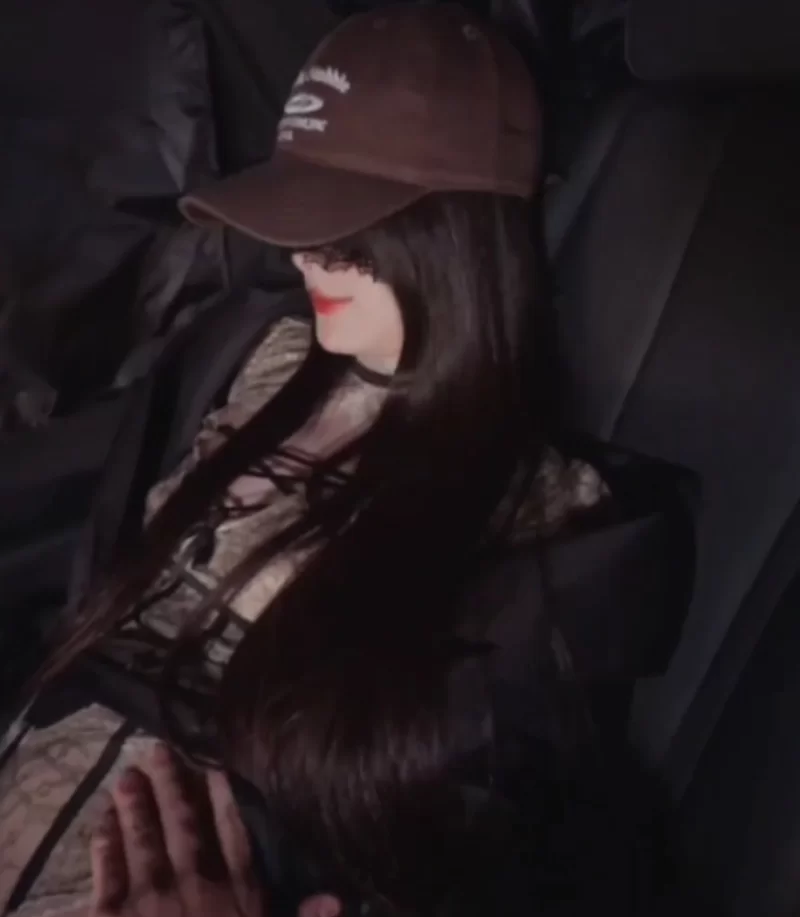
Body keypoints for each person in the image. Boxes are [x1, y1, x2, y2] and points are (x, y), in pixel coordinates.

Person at [0, 5, 692, 917]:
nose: (302, 252)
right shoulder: (249, 357)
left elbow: (503, 844)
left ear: (463, 236)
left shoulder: (548, 523)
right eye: (293, 207)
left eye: (349, 229)